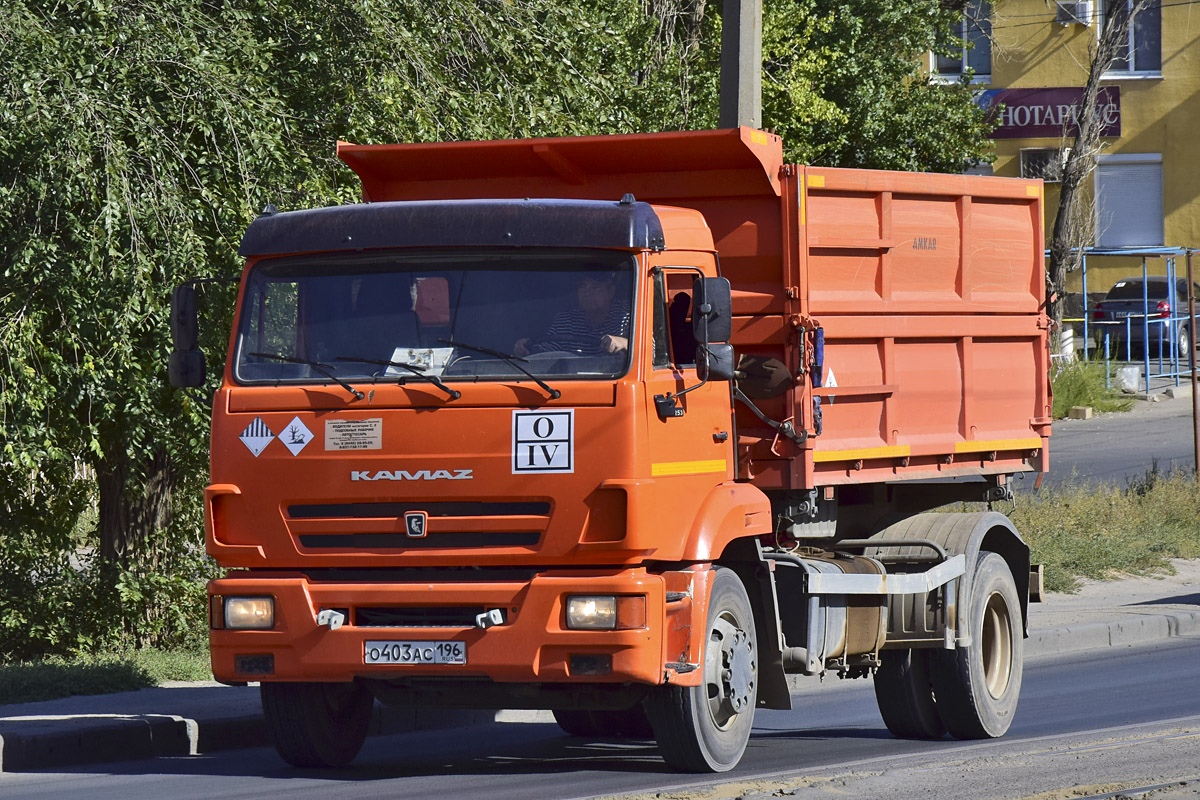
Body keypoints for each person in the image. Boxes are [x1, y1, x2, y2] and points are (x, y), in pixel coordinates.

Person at [513, 273, 630, 357]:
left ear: (611, 292)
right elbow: (548, 353)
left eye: (596, 288)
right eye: (582, 286)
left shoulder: (627, 317)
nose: (587, 293)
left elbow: (647, 353)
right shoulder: (565, 320)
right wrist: (525, 348)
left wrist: (626, 343)